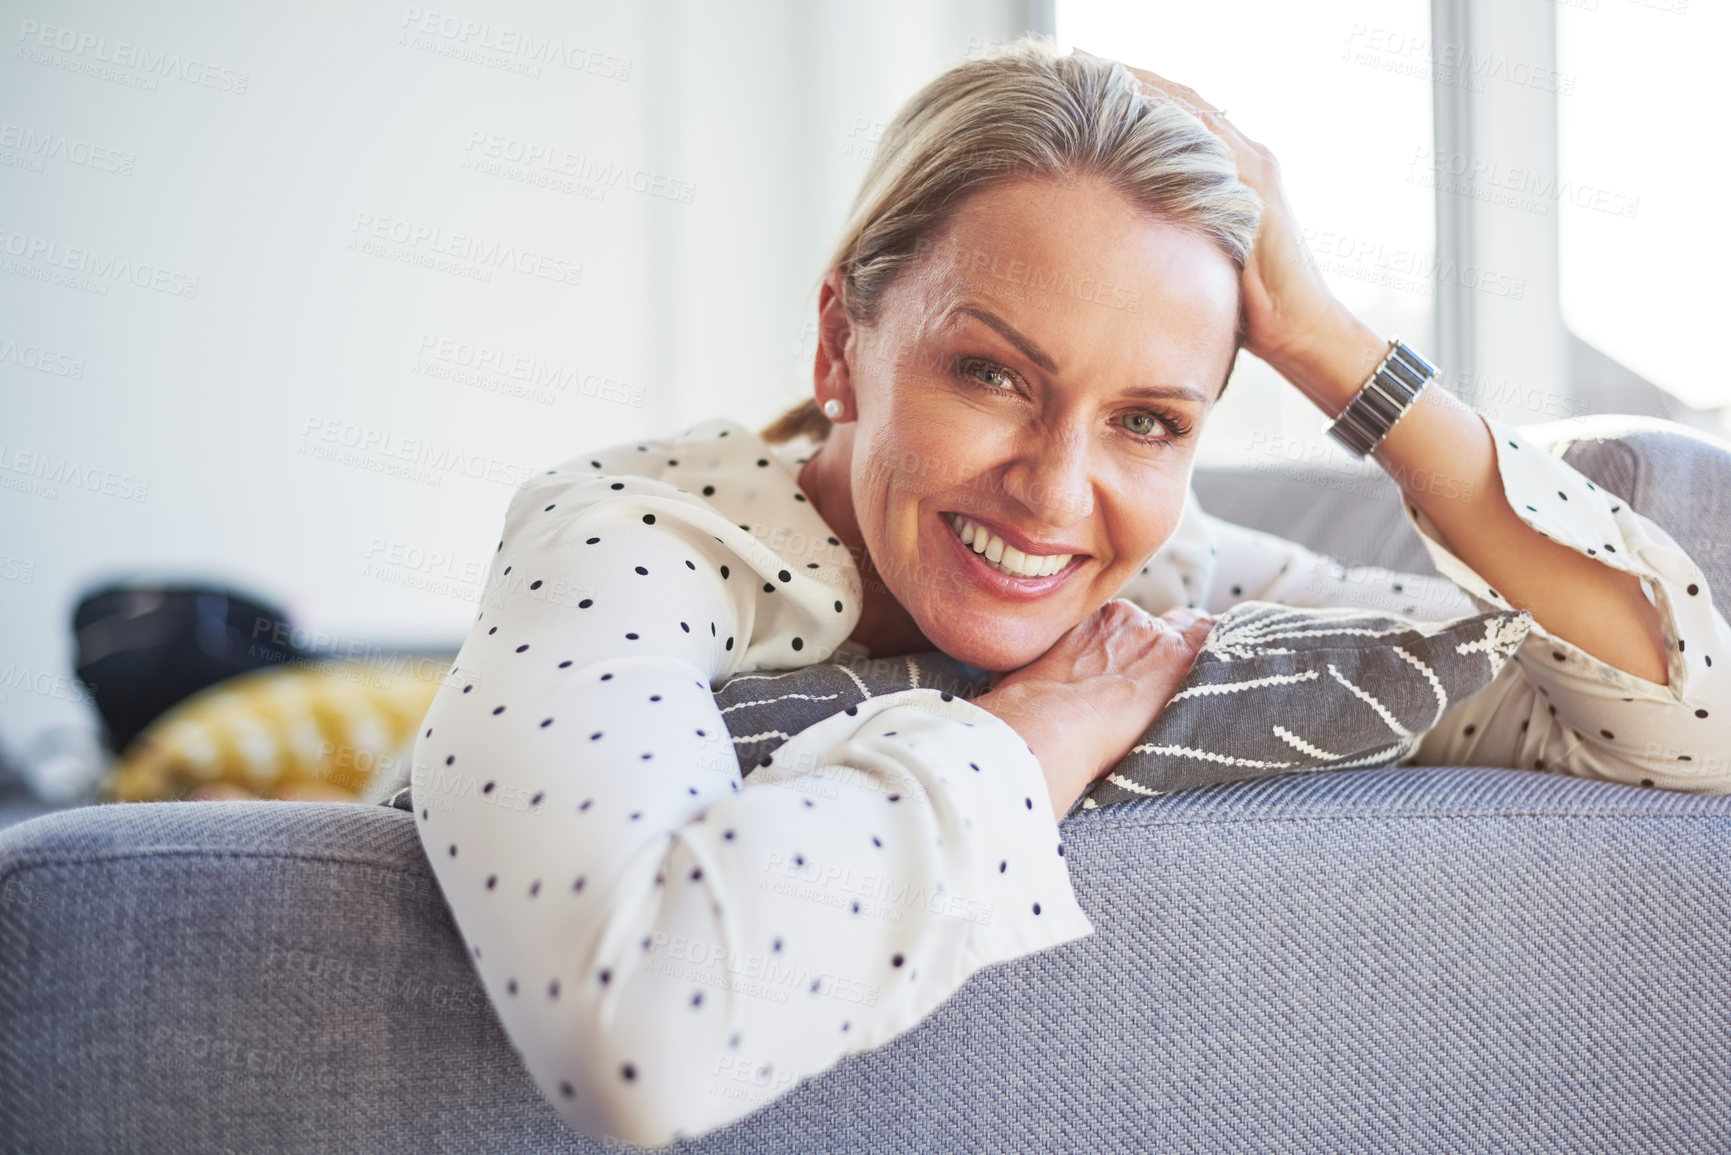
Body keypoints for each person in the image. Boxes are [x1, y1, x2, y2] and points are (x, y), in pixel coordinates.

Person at [410, 36, 1730, 1147]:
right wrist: (1032, 735)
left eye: (1149, 421)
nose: (1053, 495)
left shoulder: (1178, 576)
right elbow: (639, 1029)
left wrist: (1335, 350)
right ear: (841, 344)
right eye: (990, 375)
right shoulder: (631, 533)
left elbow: (1688, 727)